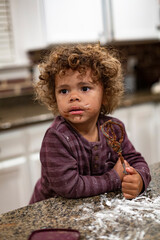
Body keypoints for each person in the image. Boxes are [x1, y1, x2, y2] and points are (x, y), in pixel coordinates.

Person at [29, 43, 151, 204]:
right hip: (52, 214)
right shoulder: (57, 137)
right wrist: (114, 178)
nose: (73, 97)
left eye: (85, 88)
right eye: (64, 91)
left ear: (105, 94)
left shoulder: (113, 129)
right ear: (54, 96)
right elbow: (70, 187)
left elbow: (136, 161)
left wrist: (139, 180)